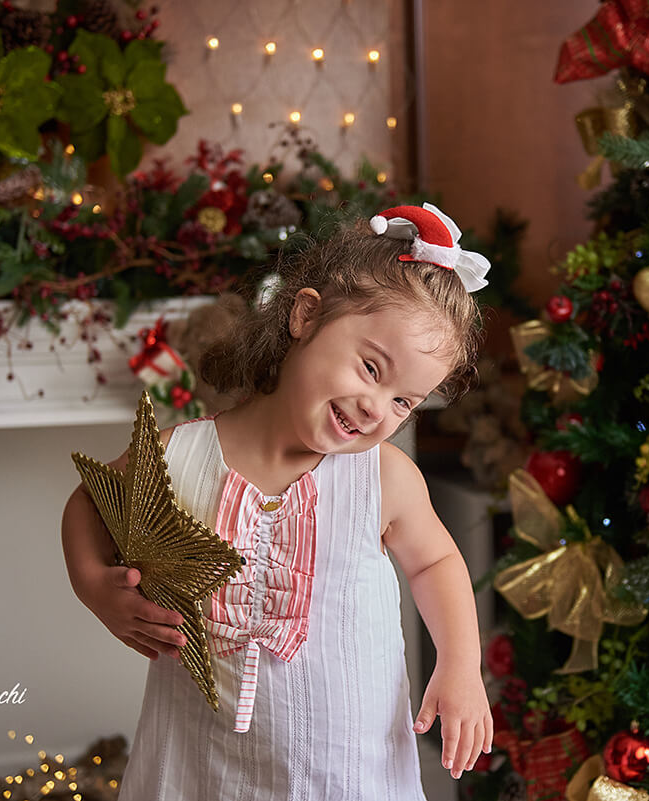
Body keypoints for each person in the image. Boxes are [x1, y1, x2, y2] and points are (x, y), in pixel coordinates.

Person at [61, 203, 494, 799]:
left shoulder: (383, 477)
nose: (377, 408)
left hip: (345, 770)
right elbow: (91, 500)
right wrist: (93, 587)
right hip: (200, 761)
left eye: (404, 403)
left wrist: (461, 666)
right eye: (371, 368)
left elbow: (435, 562)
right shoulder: (180, 454)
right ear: (306, 315)